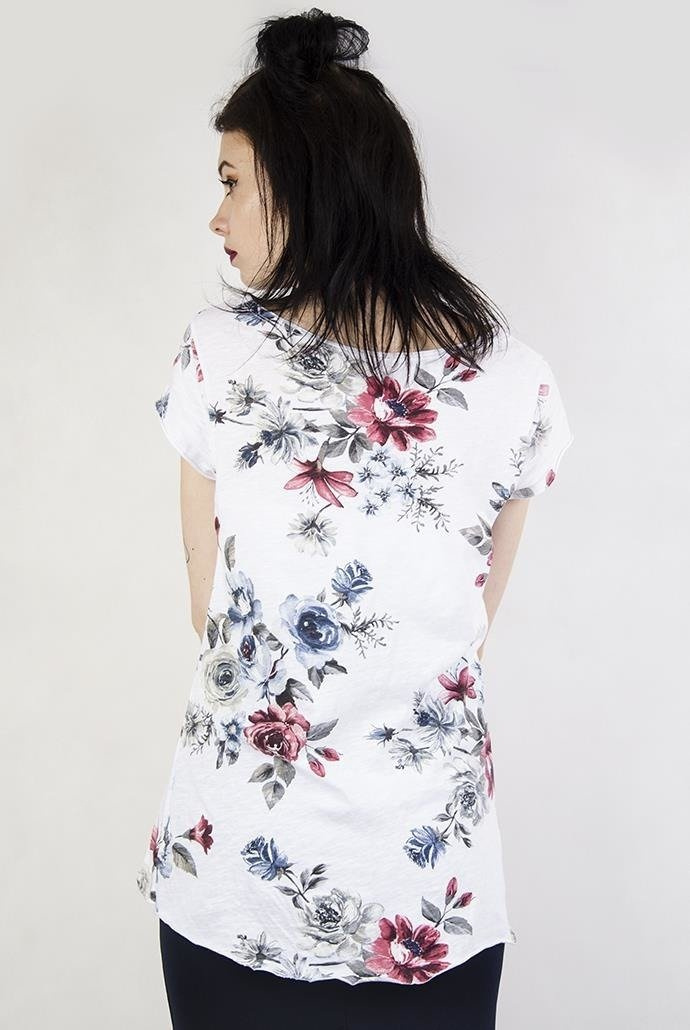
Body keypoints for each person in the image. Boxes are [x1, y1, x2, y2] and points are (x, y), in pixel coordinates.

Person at [136, 8, 575, 1028]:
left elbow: (221, 614)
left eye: (232, 181)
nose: (217, 217)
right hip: (250, 884)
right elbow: (451, 633)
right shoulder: (222, 358)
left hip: (409, 892)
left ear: (304, 184)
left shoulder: (512, 388)